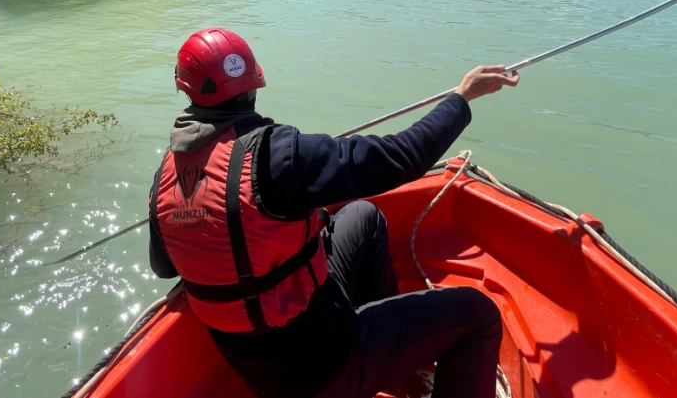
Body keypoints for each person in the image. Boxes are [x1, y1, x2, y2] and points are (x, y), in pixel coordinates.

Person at [148, 28, 519, 398]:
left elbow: (165, 266)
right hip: (326, 368)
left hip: (258, 369)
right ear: (252, 87)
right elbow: (401, 157)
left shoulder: (166, 175)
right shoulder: (277, 156)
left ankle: (396, 371)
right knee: (479, 315)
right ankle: (371, 367)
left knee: (363, 217)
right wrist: (462, 96)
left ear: (185, 90)